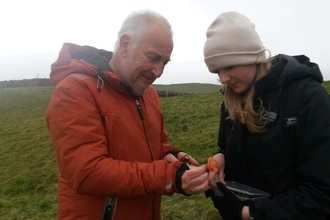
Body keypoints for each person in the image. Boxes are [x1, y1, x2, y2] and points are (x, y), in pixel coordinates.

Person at [46, 10, 209, 220]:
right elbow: (87, 172)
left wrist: (172, 155)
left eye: (165, 63)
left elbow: (157, 143)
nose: (159, 72)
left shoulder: (148, 93)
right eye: (153, 58)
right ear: (125, 45)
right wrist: (170, 177)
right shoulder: (75, 90)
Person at [203, 11, 330, 220]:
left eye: (229, 66)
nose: (223, 79)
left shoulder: (307, 98)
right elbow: (225, 146)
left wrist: (247, 213)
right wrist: (221, 157)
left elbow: (322, 191)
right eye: (216, 71)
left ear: (253, 56)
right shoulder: (230, 100)